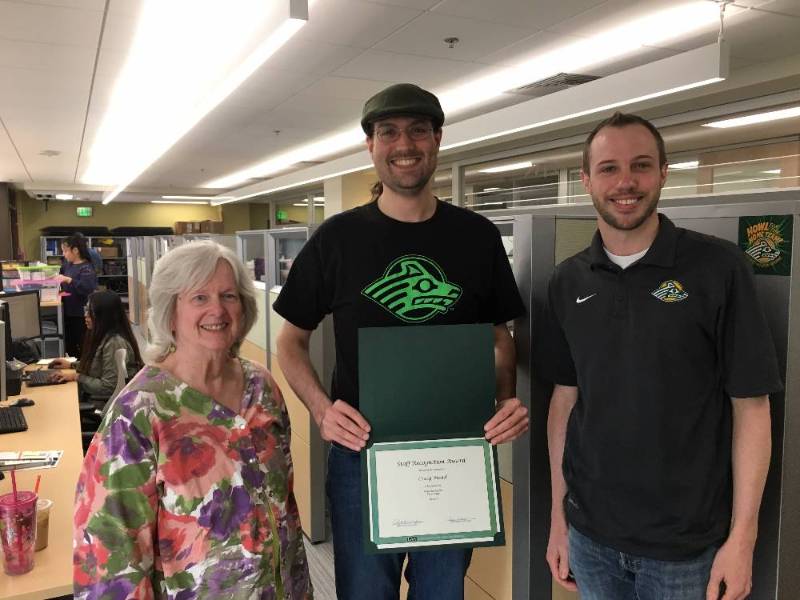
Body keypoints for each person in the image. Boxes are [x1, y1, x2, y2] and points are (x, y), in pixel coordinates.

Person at [274, 83, 529, 599]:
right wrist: (323, 410)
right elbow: (289, 342)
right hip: (361, 452)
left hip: (453, 448)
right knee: (365, 593)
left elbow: (498, 335)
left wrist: (505, 399)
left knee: (442, 592)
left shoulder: (476, 236)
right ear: (370, 145)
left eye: (417, 130)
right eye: (388, 132)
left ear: (437, 139)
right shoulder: (336, 239)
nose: (404, 143)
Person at [543, 112, 782, 600]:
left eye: (641, 165)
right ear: (586, 180)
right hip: (590, 535)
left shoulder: (717, 268)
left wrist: (743, 538)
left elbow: (751, 408)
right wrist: (557, 518)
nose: (626, 182)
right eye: (608, 168)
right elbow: (565, 402)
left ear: (664, 172)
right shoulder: (568, 281)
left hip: (685, 547)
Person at [73, 241, 312, 599]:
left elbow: (283, 507)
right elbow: (109, 556)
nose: (218, 309)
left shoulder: (262, 388)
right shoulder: (138, 413)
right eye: (199, 297)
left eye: (229, 296)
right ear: (171, 312)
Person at [50, 290, 142, 399]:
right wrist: (72, 365)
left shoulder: (115, 343)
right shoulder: (103, 335)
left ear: (103, 316)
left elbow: (109, 387)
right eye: (85, 310)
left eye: (90, 312)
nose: (85, 315)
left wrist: (76, 376)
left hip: (107, 404)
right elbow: (98, 366)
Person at [54, 234, 97, 358]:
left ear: (76, 250)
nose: (64, 254)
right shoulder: (68, 265)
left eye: (66, 250)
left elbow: (87, 288)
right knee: (69, 344)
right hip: (68, 311)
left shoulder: (86, 268)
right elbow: (60, 278)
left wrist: (69, 280)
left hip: (80, 314)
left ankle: (82, 368)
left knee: (83, 344)